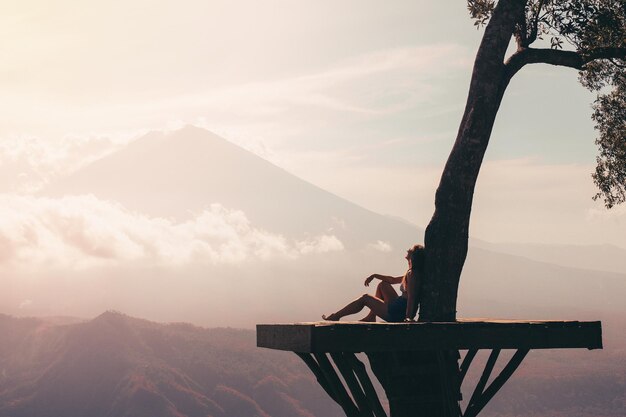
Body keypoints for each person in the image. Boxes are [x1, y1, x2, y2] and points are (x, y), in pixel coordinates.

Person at [322, 244, 424, 322]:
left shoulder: (413, 274)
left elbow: (412, 298)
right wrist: (375, 275)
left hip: (397, 312)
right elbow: (392, 280)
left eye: (410, 250)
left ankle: (336, 316)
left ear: (413, 256)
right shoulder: (411, 273)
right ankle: (371, 317)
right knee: (383, 285)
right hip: (398, 306)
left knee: (365, 298)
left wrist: (408, 319)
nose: (407, 250)